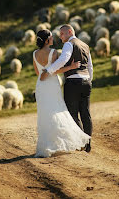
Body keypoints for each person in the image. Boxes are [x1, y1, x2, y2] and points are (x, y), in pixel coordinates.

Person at [33, 29, 91, 158]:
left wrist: (45, 72)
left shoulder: (34, 54)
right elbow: (56, 70)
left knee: (45, 114)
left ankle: (46, 145)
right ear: (47, 40)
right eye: (52, 37)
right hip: (52, 84)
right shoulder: (54, 52)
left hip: (41, 85)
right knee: (57, 110)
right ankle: (63, 142)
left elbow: (39, 74)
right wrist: (71, 67)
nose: (54, 38)